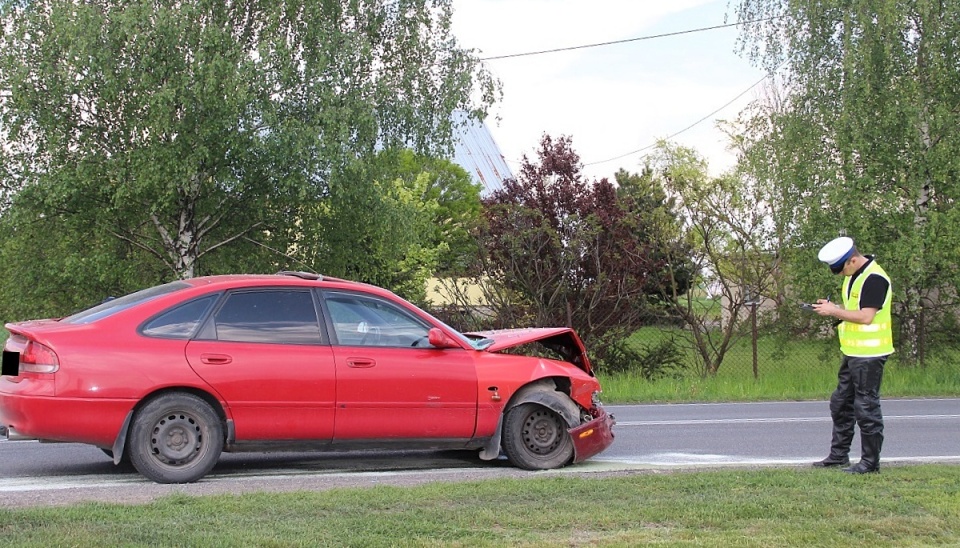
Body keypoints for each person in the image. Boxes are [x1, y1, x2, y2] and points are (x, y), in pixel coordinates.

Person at [811, 236, 894, 474]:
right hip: (853, 353)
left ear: (853, 260)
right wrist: (833, 308)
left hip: (870, 354)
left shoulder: (875, 279)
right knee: (840, 403)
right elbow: (855, 311)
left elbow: (867, 316)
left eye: (840, 269)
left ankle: (870, 463)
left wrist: (835, 310)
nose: (838, 274)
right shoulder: (854, 277)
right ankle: (839, 456)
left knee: (866, 407)